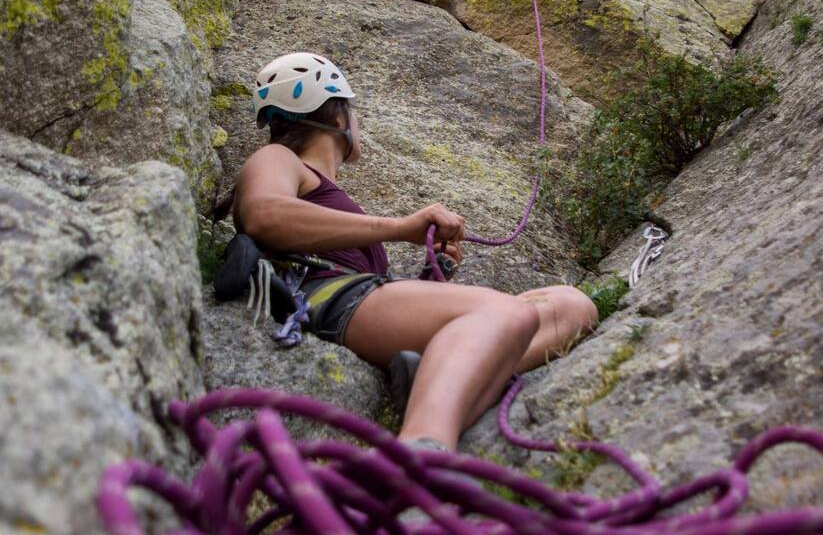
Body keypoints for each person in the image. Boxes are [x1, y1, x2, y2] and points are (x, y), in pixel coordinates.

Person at [232, 51, 598, 452]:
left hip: (359, 299)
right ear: (339, 119)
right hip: (328, 297)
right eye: (353, 114)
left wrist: (432, 274)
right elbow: (263, 215)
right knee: (506, 312)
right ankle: (421, 447)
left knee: (571, 306)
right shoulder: (278, 157)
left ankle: (436, 374)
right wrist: (400, 228)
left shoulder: (328, 195)